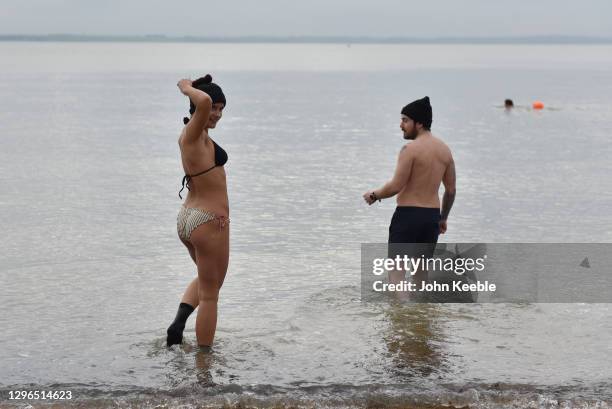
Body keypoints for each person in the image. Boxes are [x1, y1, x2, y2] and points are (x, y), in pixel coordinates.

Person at [363, 96, 456, 285]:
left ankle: (402, 314)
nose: (401, 125)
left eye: (405, 120)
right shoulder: (445, 151)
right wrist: (443, 218)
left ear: (419, 123)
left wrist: (374, 195)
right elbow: (451, 190)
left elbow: (396, 186)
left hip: (407, 216)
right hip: (431, 218)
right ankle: (422, 314)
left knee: (397, 274)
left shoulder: (410, 150)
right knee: (421, 275)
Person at [166, 74, 230, 349]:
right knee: (211, 295)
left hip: (190, 218)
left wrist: (199, 88)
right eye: (213, 107)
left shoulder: (198, 135)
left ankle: (178, 324)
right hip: (208, 221)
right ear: (196, 107)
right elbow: (202, 100)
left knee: (209, 282)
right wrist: (187, 87)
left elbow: (203, 100)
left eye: (220, 109)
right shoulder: (192, 132)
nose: (215, 113)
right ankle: (204, 364)